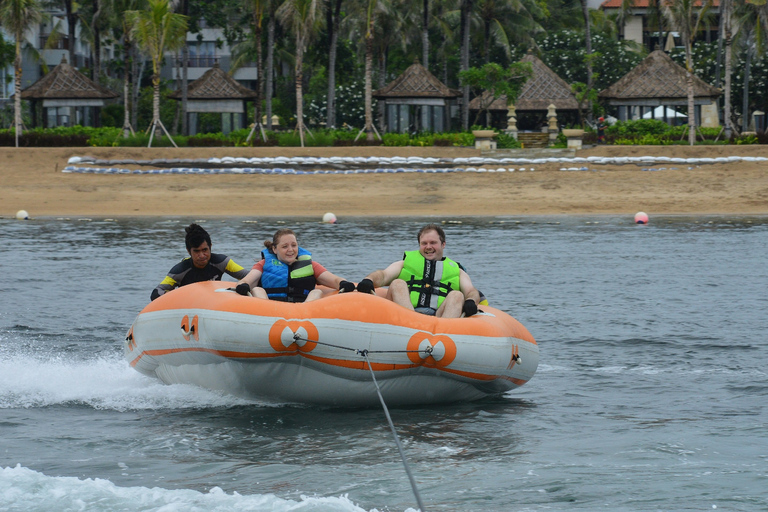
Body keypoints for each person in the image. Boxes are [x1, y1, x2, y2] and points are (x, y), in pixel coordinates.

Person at [357, 224, 481, 318]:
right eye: (424, 243)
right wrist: (369, 280)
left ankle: (444, 337)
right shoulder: (404, 264)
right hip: (406, 314)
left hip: (439, 317)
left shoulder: (457, 271)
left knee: (457, 295)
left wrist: (471, 301)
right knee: (397, 283)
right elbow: (383, 275)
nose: (428, 247)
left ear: (443, 244)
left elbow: (471, 291)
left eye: (433, 243)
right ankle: (411, 325)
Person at [235, 228, 354, 302]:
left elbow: (334, 279)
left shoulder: (311, 265)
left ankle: (305, 320)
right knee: (257, 289)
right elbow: (246, 280)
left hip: (303, 310)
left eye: (293, 245)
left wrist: (343, 283)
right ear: (275, 249)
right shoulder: (263, 264)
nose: (290, 250)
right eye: (285, 246)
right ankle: (267, 318)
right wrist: (243, 286)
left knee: (317, 292)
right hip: (271, 309)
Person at [150, 223, 249, 301]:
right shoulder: (180, 271)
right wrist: (180, 296)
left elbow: (250, 276)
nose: (202, 256)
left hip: (215, 304)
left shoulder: (222, 262)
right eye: (196, 251)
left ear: (210, 246)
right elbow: (156, 293)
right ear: (189, 251)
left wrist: (245, 284)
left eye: (205, 250)